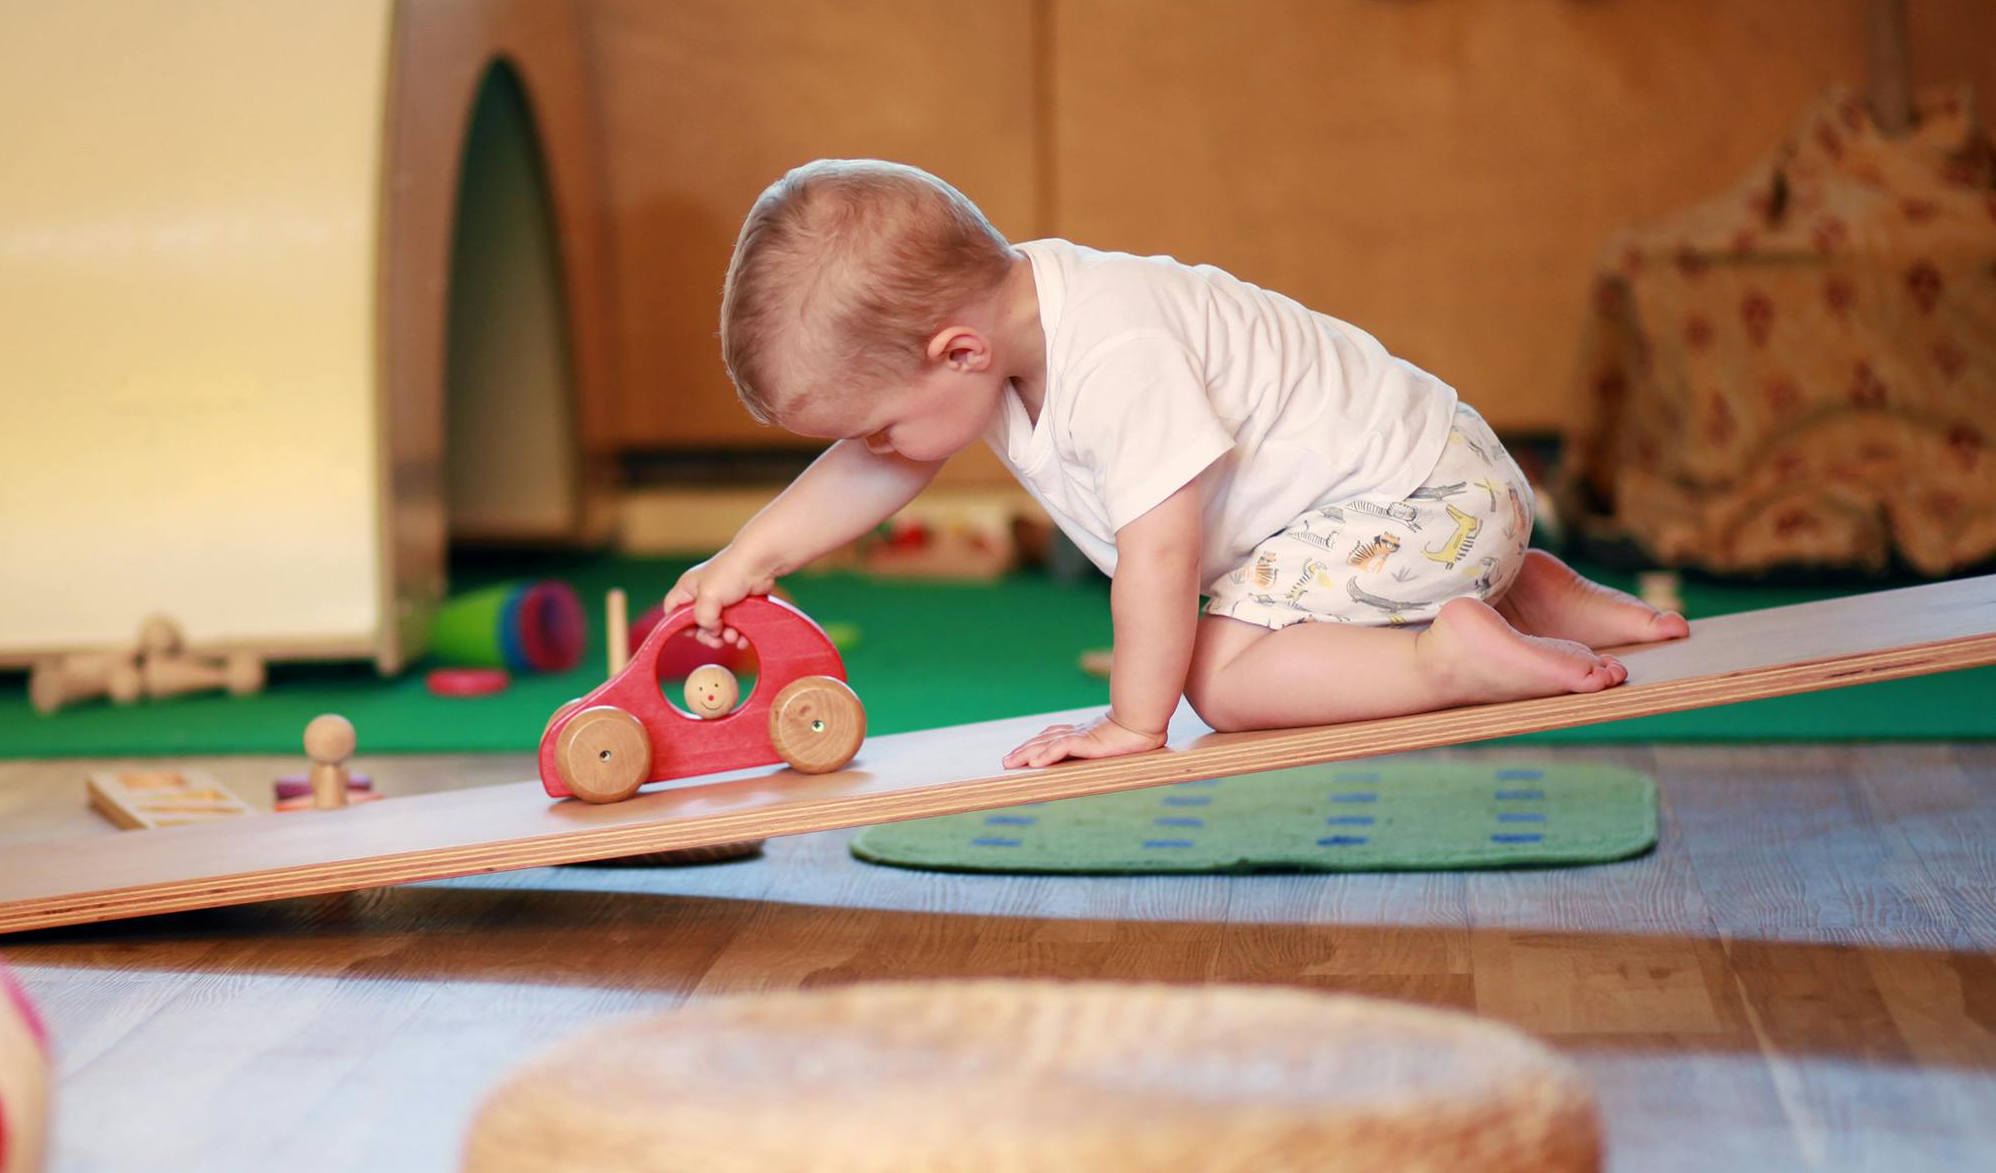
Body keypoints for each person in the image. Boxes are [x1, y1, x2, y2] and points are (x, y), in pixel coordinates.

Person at [666, 159, 1688, 767]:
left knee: (1225, 676)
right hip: (1444, 493)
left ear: (955, 355)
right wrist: (748, 555)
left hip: (1420, 508)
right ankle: (1530, 590)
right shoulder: (1003, 323)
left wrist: (1132, 722)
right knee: (1269, 604)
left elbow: (1160, 556)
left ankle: (1446, 655)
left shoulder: (1114, 356)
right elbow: (876, 466)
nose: (880, 451)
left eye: (878, 424)